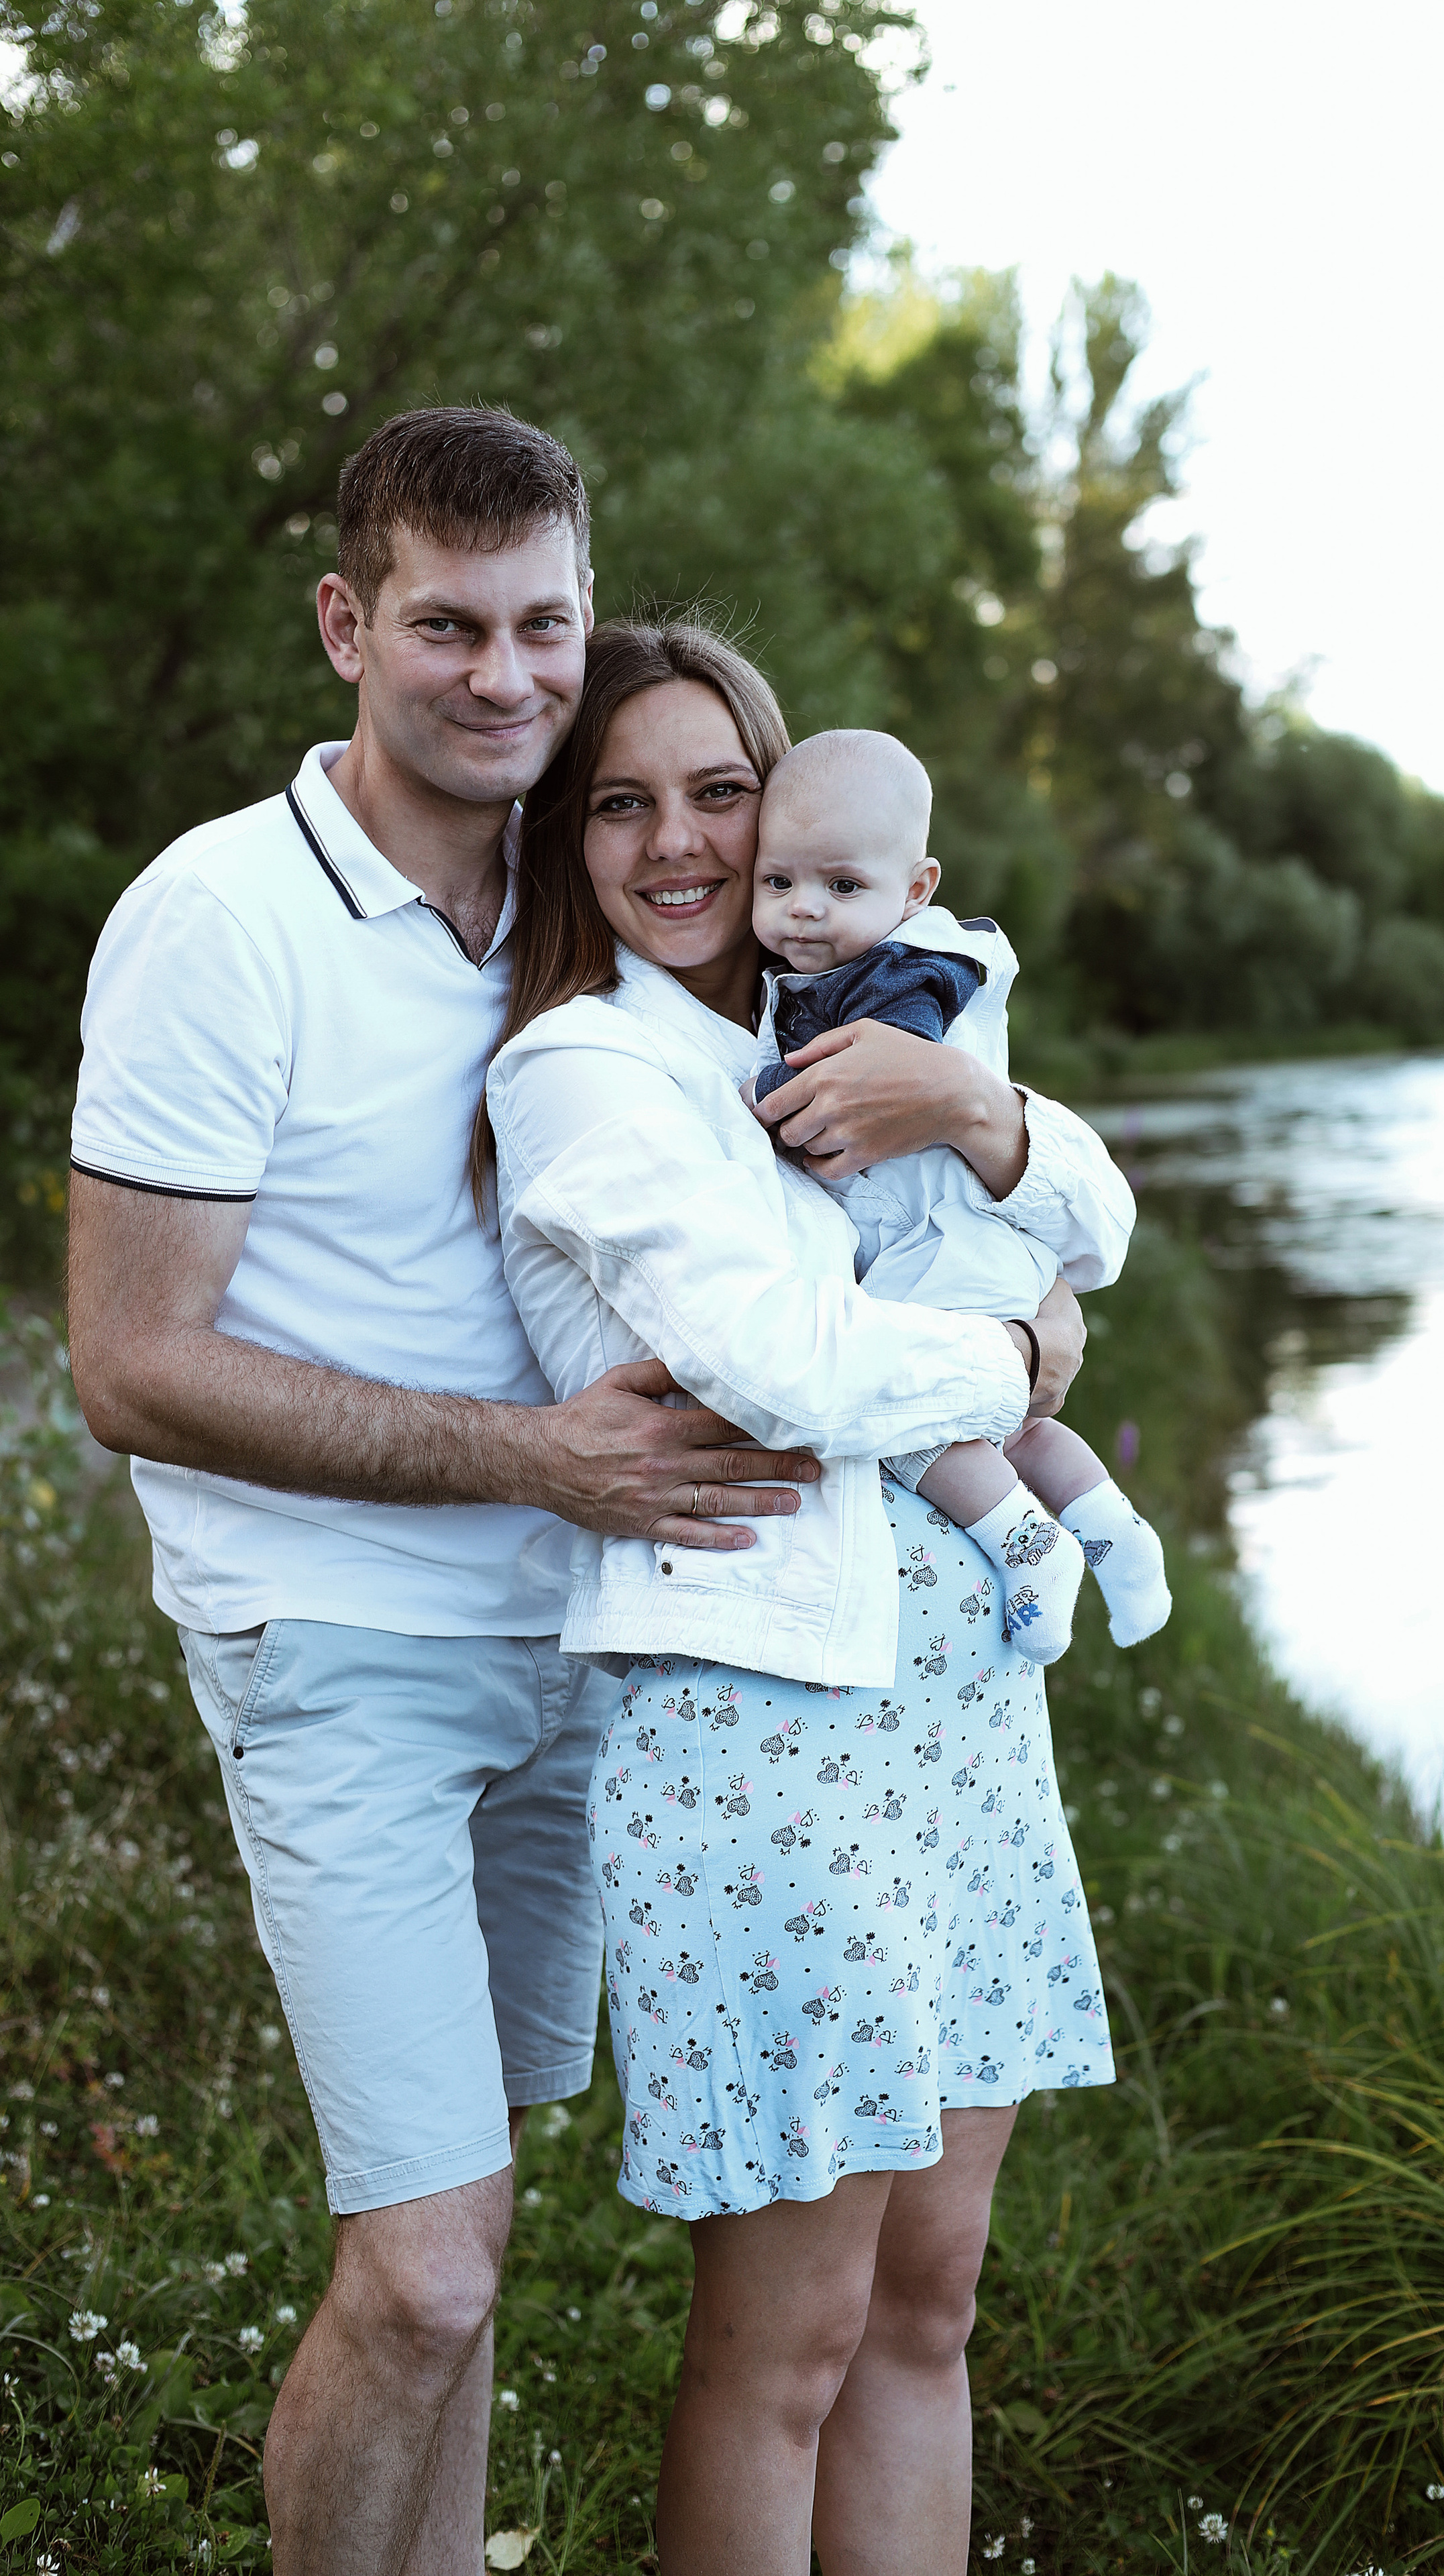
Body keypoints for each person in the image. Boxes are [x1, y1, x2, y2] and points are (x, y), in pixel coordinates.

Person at [62, 409, 1076, 2576]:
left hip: (587, 1643)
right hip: (343, 1636)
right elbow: (128, 1363)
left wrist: (995, 1158)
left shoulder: (578, 897)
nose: (506, 677)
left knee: (483, 2239)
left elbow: (933, 1160)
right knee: (424, 2265)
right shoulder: (224, 921)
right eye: (448, 627)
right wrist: (565, 1452)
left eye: (546, 627)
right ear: (349, 624)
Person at [482, 616, 1131, 2576]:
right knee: (794, 2340)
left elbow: (1094, 1222)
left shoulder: (858, 1023)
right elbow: (795, 1374)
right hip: (768, 1744)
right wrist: (1018, 1365)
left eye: (717, 794)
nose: (677, 844)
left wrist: (982, 1120)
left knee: (929, 2309)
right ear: (566, 840)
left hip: (956, 1728)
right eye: (620, 802)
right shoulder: (590, 1070)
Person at [748, 727, 1173, 1666]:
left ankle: (1032, 1552)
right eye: (777, 883)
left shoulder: (905, 974)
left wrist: (752, 1098)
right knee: (1022, 1427)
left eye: (841, 886)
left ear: (917, 890)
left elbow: (849, 1084)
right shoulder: (844, 961)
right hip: (968, 1239)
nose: (803, 911)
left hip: (948, 1244)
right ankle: (1115, 1535)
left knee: (903, 1414)